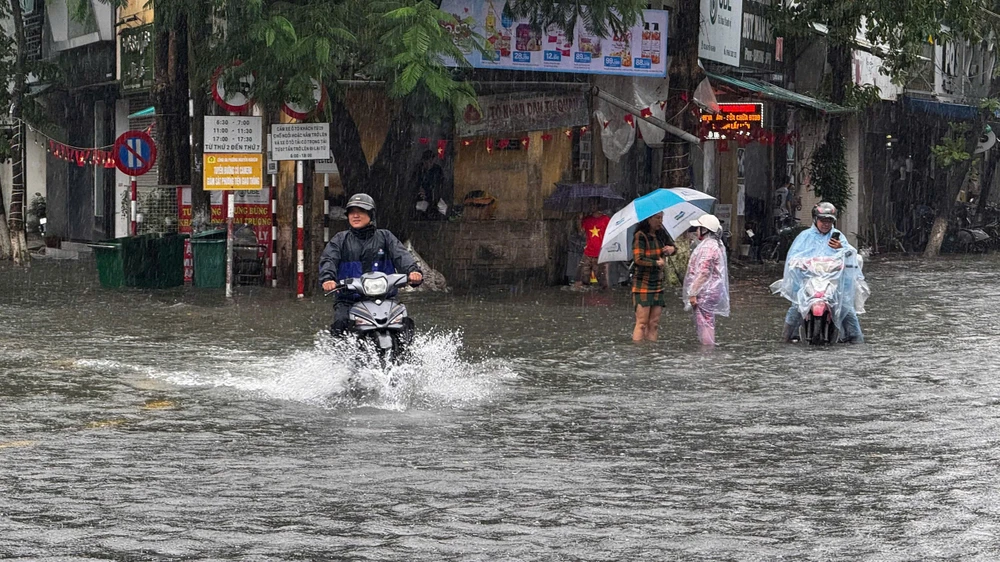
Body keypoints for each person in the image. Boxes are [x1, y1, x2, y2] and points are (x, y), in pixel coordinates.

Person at [319, 193, 423, 336]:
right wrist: (328, 279)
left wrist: (413, 271)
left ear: (371, 214)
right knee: (341, 322)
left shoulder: (385, 237)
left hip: (385, 298)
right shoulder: (339, 240)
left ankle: (407, 355)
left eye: (361, 211)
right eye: (352, 212)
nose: (355, 215)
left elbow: (401, 255)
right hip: (349, 299)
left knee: (404, 322)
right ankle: (340, 357)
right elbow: (328, 260)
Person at [773, 202, 868, 343]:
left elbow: (852, 256)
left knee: (847, 309)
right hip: (808, 281)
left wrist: (843, 249)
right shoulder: (804, 237)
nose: (826, 224)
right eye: (822, 220)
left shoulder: (838, 237)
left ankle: (856, 340)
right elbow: (793, 257)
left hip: (833, 283)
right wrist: (799, 264)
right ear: (815, 219)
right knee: (797, 307)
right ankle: (785, 338)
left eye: (829, 220)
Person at [682, 215, 731, 346]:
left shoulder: (707, 247)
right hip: (712, 290)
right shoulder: (715, 245)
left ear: (705, 229)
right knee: (708, 321)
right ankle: (708, 349)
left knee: (704, 322)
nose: (696, 230)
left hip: (706, 291)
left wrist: (692, 292)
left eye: (699, 228)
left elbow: (703, 272)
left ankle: (707, 351)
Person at [631, 212, 676, 342]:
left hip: (657, 281)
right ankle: (639, 352)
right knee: (642, 323)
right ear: (648, 219)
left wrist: (672, 249)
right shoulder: (640, 236)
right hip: (643, 282)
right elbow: (638, 259)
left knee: (654, 323)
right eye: (657, 218)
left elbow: (673, 247)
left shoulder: (661, 234)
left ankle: (652, 352)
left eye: (661, 218)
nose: (660, 221)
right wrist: (656, 263)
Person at [573, 197, 611, 291]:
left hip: (600, 254)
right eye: (590, 204)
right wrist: (579, 220)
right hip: (588, 253)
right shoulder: (587, 219)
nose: (591, 207)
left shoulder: (605, 219)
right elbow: (581, 232)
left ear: (598, 205)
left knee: (603, 282)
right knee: (581, 279)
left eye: (593, 204)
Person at [412, 149, 444, 220]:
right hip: (421, 197)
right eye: (426, 162)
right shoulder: (418, 169)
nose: (428, 164)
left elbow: (440, 184)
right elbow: (414, 182)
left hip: (434, 196)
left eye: (430, 161)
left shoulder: (437, 169)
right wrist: (419, 189)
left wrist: (436, 193)